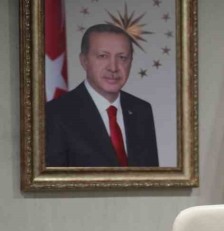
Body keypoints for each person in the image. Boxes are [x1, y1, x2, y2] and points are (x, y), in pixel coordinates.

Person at [45, 24, 159, 167]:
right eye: (103, 56)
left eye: (122, 57)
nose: (113, 67)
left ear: (131, 62)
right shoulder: (55, 114)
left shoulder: (141, 110)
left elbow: (151, 176)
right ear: (84, 60)